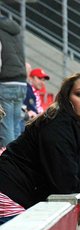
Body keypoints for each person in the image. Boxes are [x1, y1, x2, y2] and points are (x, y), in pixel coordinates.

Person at [0, 72, 80, 225]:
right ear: (67, 98)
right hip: (8, 197)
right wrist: (75, 177)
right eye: (79, 94)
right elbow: (66, 185)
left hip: (22, 199)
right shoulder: (57, 126)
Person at [0, 15, 28, 148]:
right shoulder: (15, 31)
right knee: (16, 126)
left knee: (5, 126)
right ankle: (18, 162)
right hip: (21, 82)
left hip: (5, 83)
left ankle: (8, 164)